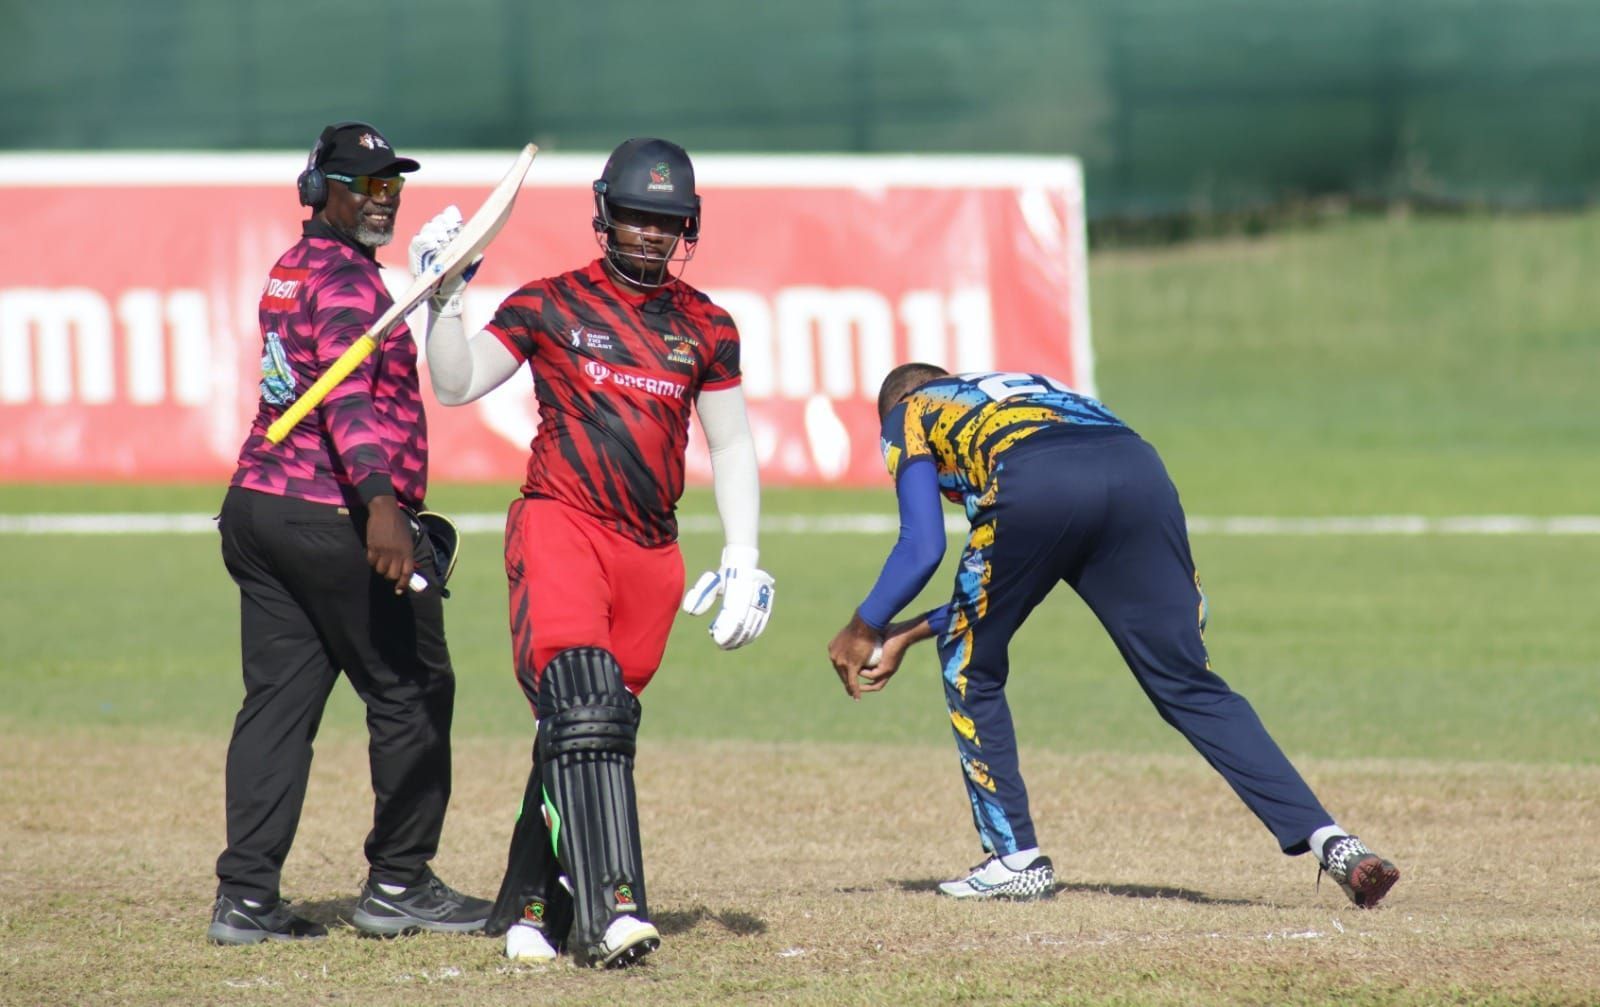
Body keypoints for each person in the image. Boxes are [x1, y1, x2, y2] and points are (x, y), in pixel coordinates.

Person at [827, 364, 1400, 909]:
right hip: (1138, 473)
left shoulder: (909, 410)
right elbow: (1003, 588)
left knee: (969, 664)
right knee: (1187, 682)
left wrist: (864, 626)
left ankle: (1015, 860)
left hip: (1034, 481)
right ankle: (1333, 841)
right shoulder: (1023, 390)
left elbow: (922, 546)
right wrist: (904, 633)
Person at [410, 136, 773, 967]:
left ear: (686, 227)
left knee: (585, 733)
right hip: (561, 524)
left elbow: (736, 445)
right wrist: (443, 302)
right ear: (606, 215)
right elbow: (458, 383)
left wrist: (746, 555)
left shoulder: (708, 326)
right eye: (638, 218)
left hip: (653, 554)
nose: (649, 234)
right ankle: (616, 909)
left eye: (666, 221)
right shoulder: (549, 304)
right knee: (585, 707)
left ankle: (533, 907)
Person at [209, 121, 491, 945]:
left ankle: (246, 896)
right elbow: (345, 397)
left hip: (258, 508)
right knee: (412, 692)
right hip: (332, 516)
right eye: (368, 186)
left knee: (277, 706)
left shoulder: (293, 271)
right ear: (318, 190)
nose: (385, 199)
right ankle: (400, 880)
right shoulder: (344, 284)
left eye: (391, 185)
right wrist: (380, 503)